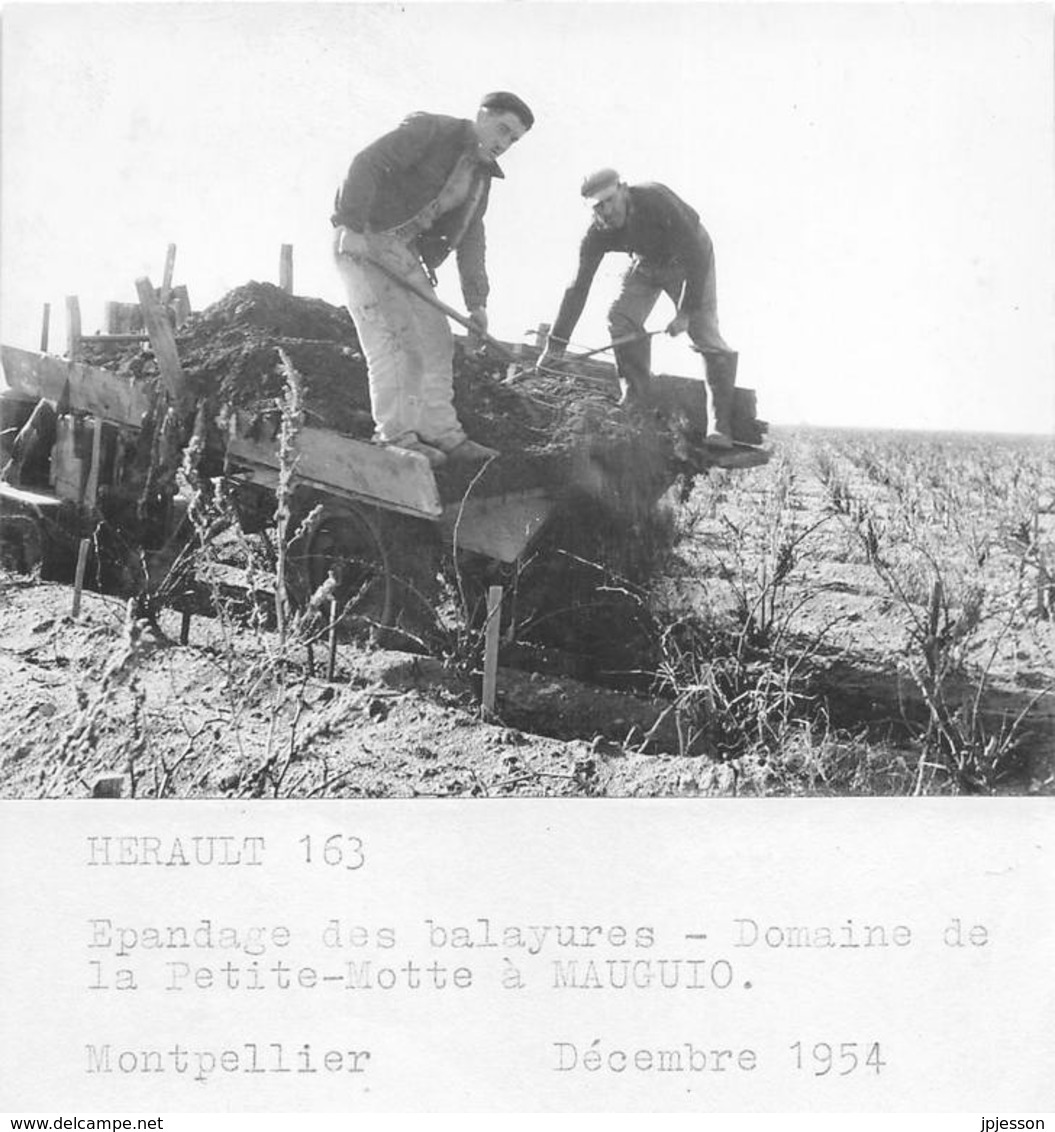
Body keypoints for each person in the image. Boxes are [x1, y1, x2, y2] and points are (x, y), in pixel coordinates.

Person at [332, 91, 534, 467]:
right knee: (395, 340)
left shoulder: (481, 178)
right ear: (481, 115)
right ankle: (395, 435)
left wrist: (478, 304)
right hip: (364, 238)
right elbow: (367, 162)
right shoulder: (431, 131)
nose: (504, 143)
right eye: (502, 130)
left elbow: (472, 239)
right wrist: (351, 223)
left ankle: (443, 434)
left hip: (402, 251)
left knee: (436, 339)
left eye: (513, 140)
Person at [537, 168, 737, 447]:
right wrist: (555, 345)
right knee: (620, 317)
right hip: (647, 260)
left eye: (610, 200)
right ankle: (635, 404)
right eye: (598, 207)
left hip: (689, 256)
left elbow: (695, 255)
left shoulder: (656, 200)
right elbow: (578, 287)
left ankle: (720, 426)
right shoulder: (596, 234)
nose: (606, 211)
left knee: (704, 332)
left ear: (624, 189)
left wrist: (685, 312)